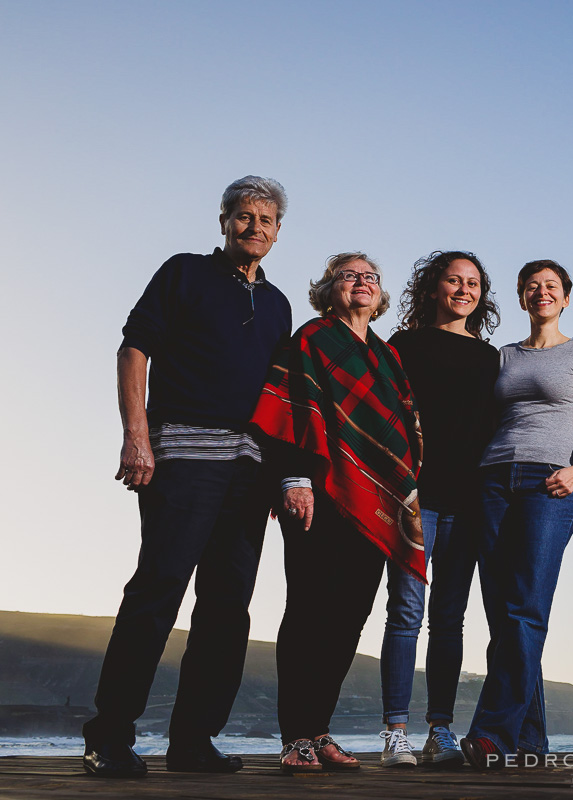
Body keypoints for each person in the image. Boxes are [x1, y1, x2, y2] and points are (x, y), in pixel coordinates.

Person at [83, 176, 292, 778]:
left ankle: (193, 740)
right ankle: (109, 736)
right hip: (182, 455)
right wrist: (136, 434)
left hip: (250, 471)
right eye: (243, 217)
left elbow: (281, 399)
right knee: (159, 589)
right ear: (224, 221)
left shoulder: (277, 304)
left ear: (279, 232)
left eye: (266, 220)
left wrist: (281, 475)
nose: (254, 228)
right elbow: (134, 349)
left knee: (228, 606)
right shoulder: (183, 272)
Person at [249, 252, 425, 773]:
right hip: (320, 493)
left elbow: (405, 424)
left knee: (350, 618)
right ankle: (294, 738)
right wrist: (295, 478)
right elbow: (288, 411)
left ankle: (318, 730)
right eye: (350, 276)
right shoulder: (312, 338)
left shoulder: (387, 355)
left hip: (374, 506)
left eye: (371, 277)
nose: (362, 283)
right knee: (308, 612)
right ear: (329, 289)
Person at [460, 260, 573, 768]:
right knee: (504, 616)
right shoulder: (501, 357)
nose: (541, 293)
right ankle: (530, 743)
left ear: (565, 298)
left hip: (551, 483)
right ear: (522, 300)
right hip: (493, 481)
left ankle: (491, 735)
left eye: (550, 287)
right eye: (532, 287)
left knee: (527, 607)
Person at [378, 251, 501, 768]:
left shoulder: (492, 356)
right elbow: (382, 413)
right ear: (433, 288)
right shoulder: (404, 344)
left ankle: (440, 731)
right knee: (406, 612)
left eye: (473, 283)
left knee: (450, 620)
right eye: (454, 280)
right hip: (416, 498)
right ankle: (395, 732)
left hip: (469, 501)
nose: (464, 290)